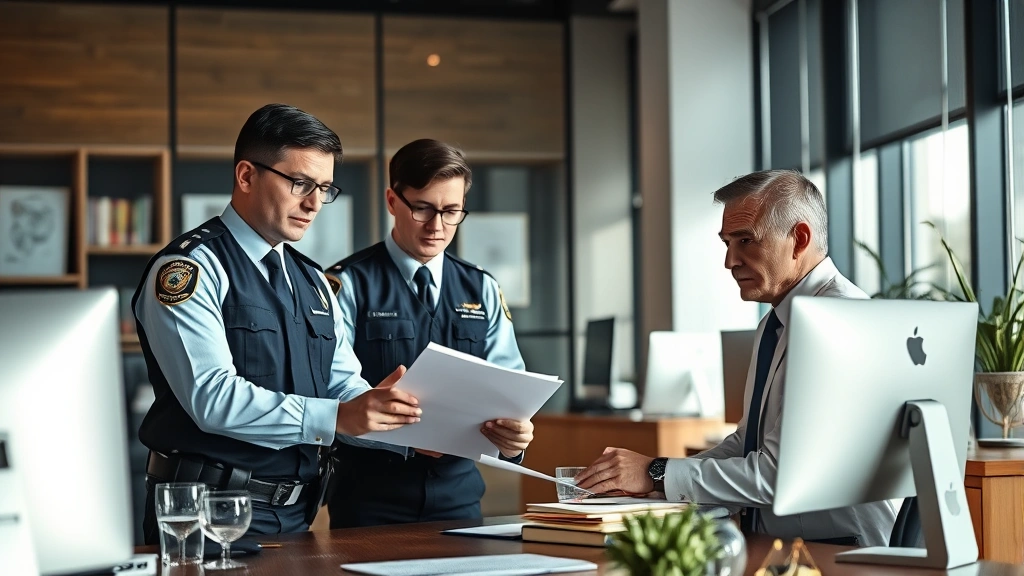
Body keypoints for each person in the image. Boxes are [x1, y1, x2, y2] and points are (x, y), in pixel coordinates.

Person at [133, 104, 424, 543]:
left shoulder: (314, 282)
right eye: (300, 183)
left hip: (298, 518)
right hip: (204, 517)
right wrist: (341, 416)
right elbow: (212, 397)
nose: (313, 204)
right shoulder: (189, 270)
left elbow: (342, 387)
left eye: (324, 188)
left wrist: (418, 426)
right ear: (247, 176)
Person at [574, 170, 897, 546]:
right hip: (785, 547)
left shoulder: (839, 321)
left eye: (746, 240)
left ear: (800, 239)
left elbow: (781, 474)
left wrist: (658, 473)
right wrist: (659, 482)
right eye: (727, 242)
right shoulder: (776, 322)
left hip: (842, 553)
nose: (730, 261)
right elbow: (748, 443)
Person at [323, 139, 534, 528]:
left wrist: (515, 438)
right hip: (369, 501)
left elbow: (512, 391)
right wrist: (399, 435)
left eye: (452, 212)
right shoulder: (346, 284)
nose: (437, 226)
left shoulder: (481, 288)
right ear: (392, 200)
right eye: (422, 208)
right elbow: (332, 397)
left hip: (460, 497)